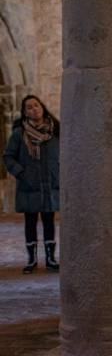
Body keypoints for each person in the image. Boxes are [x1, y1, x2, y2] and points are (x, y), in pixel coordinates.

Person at [3, 95, 61, 274]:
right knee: (30, 223)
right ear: (25, 112)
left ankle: (51, 259)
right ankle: (32, 259)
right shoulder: (19, 134)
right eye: (29, 107)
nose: (34, 109)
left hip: (50, 184)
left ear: (42, 107)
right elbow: (8, 157)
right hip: (29, 186)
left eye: (36, 105)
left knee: (49, 222)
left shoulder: (55, 131)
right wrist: (21, 173)